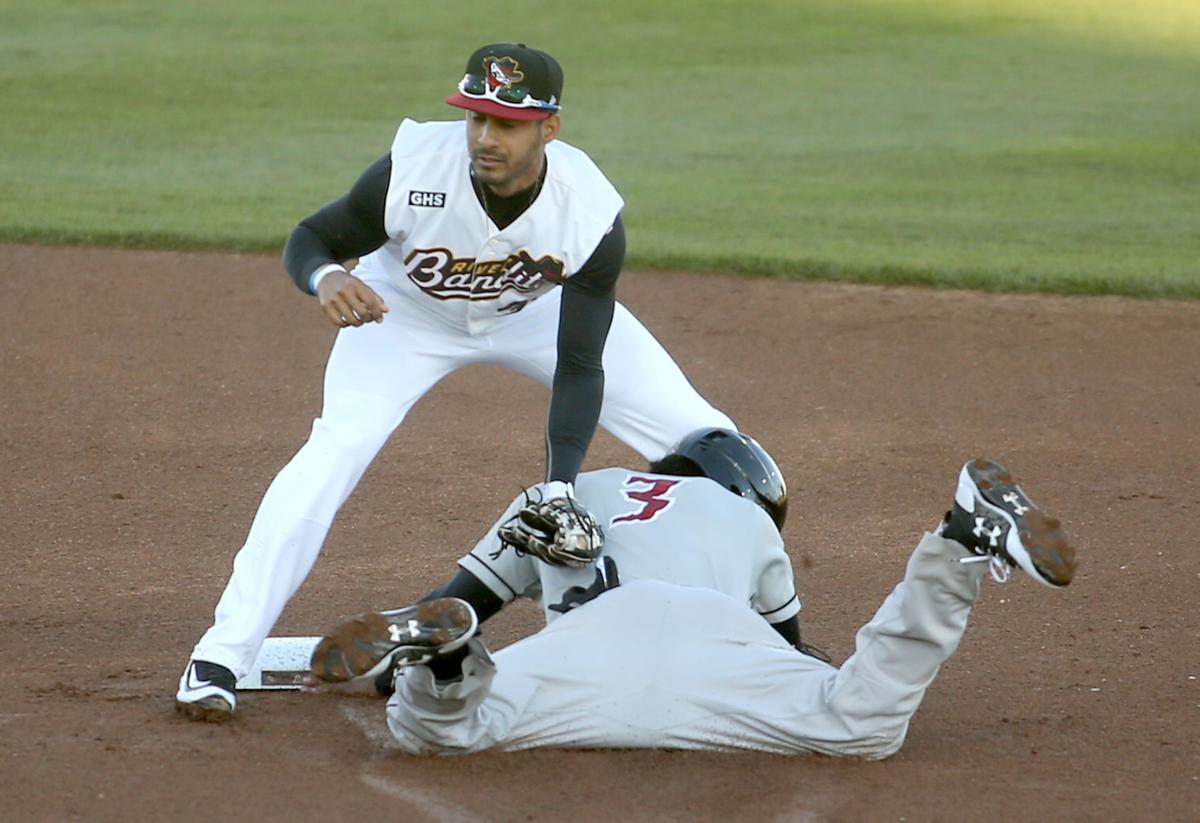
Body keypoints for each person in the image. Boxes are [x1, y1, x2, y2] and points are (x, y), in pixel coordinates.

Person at [175, 43, 734, 722]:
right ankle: (221, 654)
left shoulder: (587, 212)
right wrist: (331, 278)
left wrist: (559, 483)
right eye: (476, 117)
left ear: (548, 129)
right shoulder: (414, 168)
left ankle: (728, 636)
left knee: (713, 445)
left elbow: (583, 365)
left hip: (534, 312)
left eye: (506, 123)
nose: (484, 136)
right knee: (333, 451)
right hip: (401, 314)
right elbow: (312, 236)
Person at [309, 447, 1078, 757]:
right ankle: (958, 543)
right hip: (723, 643)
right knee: (860, 720)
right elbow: (793, 653)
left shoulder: (574, 492)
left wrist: (395, 669)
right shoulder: (746, 519)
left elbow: (451, 594)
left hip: (585, 646)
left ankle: (446, 662)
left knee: (436, 729)